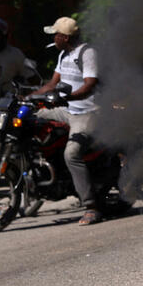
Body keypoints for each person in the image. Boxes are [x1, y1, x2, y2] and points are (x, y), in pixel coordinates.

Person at [32, 16, 106, 225]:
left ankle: (91, 206)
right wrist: (28, 97)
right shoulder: (63, 54)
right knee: (30, 118)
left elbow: (89, 85)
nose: (53, 38)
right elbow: (51, 85)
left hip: (86, 113)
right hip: (66, 110)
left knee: (71, 154)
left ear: (65, 37)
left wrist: (68, 98)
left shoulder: (87, 53)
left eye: (55, 34)